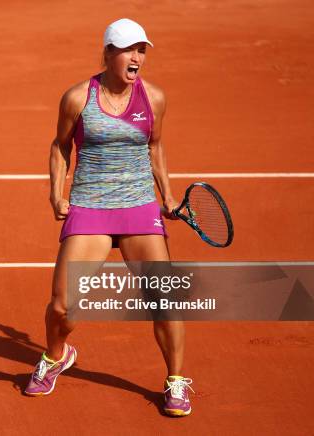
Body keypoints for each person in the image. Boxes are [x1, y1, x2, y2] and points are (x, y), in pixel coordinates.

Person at [24, 18, 194, 417]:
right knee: (64, 307)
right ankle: (56, 355)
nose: (137, 58)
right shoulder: (78, 98)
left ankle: (176, 379)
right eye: (128, 50)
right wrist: (56, 194)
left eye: (142, 50)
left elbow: (155, 147)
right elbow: (59, 146)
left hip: (138, 205)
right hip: (91, 206)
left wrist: (167, 195)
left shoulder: (153, 98)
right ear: (108, 53)